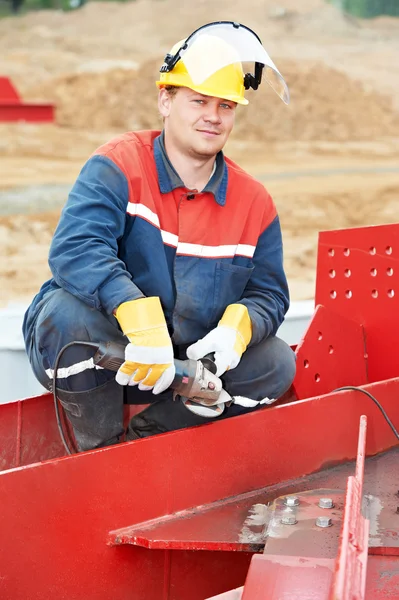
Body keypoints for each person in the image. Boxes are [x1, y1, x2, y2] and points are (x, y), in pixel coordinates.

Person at [23, 22, 296, 452]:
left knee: (275, 363)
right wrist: (137, 318)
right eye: (199, 100)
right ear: (165, 100)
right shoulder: (118, 165)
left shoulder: (254, 202)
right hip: (110, 357)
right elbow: (77, 248)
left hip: (183, 370)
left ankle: (149, 440)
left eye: (226, 105)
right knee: (64, 316)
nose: (213, 115)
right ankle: (100, 448)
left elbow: (269, 295)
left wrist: (235, 333)